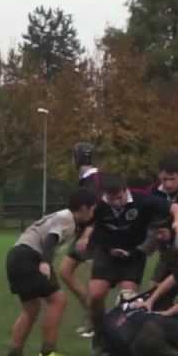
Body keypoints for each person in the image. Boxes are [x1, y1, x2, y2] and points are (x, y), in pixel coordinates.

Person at [4, 189, 100, 356]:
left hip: (15, 257)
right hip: (29, 257)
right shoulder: (67, 218)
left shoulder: (64, 217)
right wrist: (45, 262)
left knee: (31, 309)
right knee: (58, 300)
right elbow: (50, 239)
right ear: (84, 208)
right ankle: (48, 352)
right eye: (93, 209)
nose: (94, 213)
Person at [86, 174, 174, 353]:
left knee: (127, 298)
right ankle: (99, 334)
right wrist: (86, 237)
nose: (117, 203)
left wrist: (177, 222)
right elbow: (86, 224)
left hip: (133, 255)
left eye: (120, 197)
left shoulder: (142, 200)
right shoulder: (98, 206)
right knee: (95, 296)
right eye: (112, 199)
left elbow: (175, 207)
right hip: (107, 253)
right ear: (104, 195)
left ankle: (121, 340)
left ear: (126, 190)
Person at [58, 142, 101, 337]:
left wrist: (86, 235)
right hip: (84, 235)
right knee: (65, 271)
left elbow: (97, 211)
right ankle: (92, 313)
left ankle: (95, 320)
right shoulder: (86, 179)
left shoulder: (93, 180)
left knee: (94, 280)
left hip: (95, 236)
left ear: (77, 158)